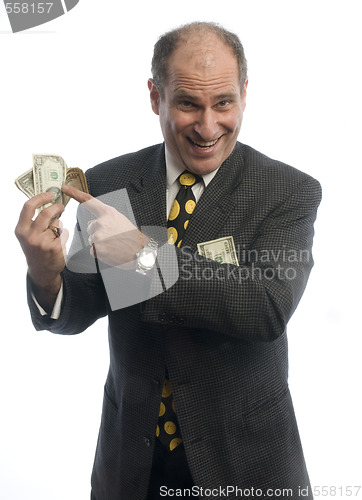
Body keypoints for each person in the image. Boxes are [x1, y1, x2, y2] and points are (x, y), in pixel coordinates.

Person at [15, 21, 322, 500]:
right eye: (187, 104)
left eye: (223, 102)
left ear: (244, 92)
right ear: (155, 96)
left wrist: (142, 257)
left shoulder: (289, 191)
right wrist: (45, 270)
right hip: (130, 463)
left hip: (244, 464)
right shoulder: (111, 181)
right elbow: (80, 306)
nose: (207, 126)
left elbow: (267, 307)